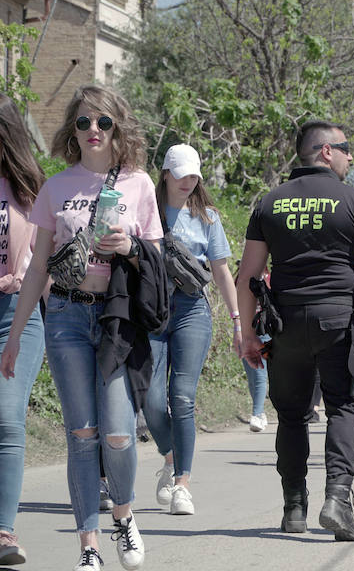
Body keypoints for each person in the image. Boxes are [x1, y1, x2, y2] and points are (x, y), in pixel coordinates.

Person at [1, 85, 164, 571]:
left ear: (119, 127)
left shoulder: (139, 184)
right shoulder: (55, 187)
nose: (93, 130)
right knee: (81, 433)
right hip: (68, 318)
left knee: (117, 432)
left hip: (115, 318)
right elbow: (37, 270)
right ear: (72, 129)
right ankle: (88, 547)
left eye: (103, 122)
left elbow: (156, 261)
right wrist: (13, 339)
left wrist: (130, 247)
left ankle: (125, 515)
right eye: (83, 122)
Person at [237, 120, 354, 542]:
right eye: (347, 148)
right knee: (345, 407)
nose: (351, 157)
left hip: (286, 324)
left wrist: (246, 334)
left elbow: (248, 275)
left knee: (292, 416)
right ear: (326, 151)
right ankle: (336, 499)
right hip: (339, 322)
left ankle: (294, 506)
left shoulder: (270, 202)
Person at [146, 144, 240, 516]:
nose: (188, 181)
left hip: (192, 310)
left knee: (182, 397)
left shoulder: (208, 217)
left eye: (193, 175)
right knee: (150, 400)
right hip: (152, 310)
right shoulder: (146, 209)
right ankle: (170, 456)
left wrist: (236, 321)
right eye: (181, 174)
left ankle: (182, 483)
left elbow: (220, 271)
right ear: (165, 173)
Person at [0, 95, 46, 567]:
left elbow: (43, 261)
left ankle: (3, 531)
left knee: (8, 419)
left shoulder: (31, 190)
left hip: (16, 314)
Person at [234, 259, 270, 432]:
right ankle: (260, 411)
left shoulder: (271, 279)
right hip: (246, 332)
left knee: (261, 372)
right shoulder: (240, 281)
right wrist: (239, 330)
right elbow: (236, 308)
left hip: (266, 331)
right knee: (252, 374)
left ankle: (256, 413)